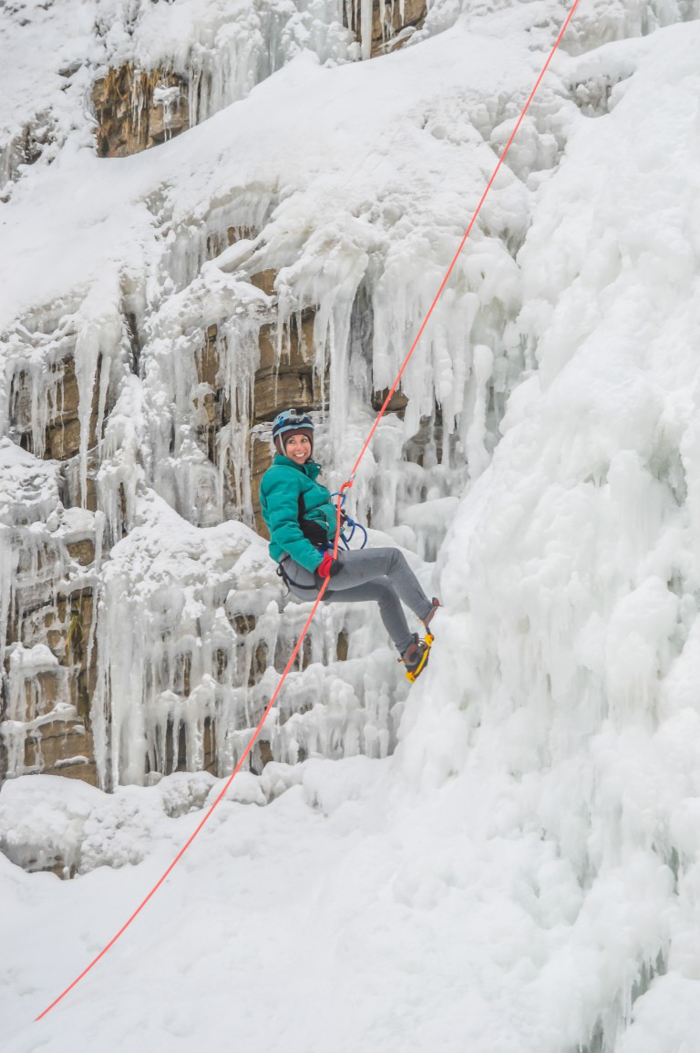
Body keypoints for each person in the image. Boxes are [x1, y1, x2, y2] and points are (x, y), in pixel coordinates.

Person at [258, 408, 440, 679]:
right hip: (306, 568)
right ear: (280, 445)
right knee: (392, 559)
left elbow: (306, 518)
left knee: (385, 591)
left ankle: (410, 653)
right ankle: (429, 615)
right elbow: (284, 530)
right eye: (292, 441)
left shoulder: (301, 477)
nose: (300, 447)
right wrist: (317, 562)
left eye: (304, 440)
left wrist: (333, 517)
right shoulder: (280, 476)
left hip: (307, 575)